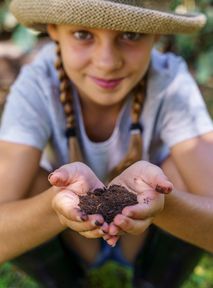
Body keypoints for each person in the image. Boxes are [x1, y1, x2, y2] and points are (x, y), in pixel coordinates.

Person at [0, 0, 213, 287]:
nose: (107, 62)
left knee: (179, 171)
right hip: (68, 237)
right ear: (54, 30)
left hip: (147, 232)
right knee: (29, 182)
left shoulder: (170, 81)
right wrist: (54, 205)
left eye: (132, 35)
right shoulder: (37, 84)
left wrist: (163, 203)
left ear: (156, 36)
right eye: (83, 34)